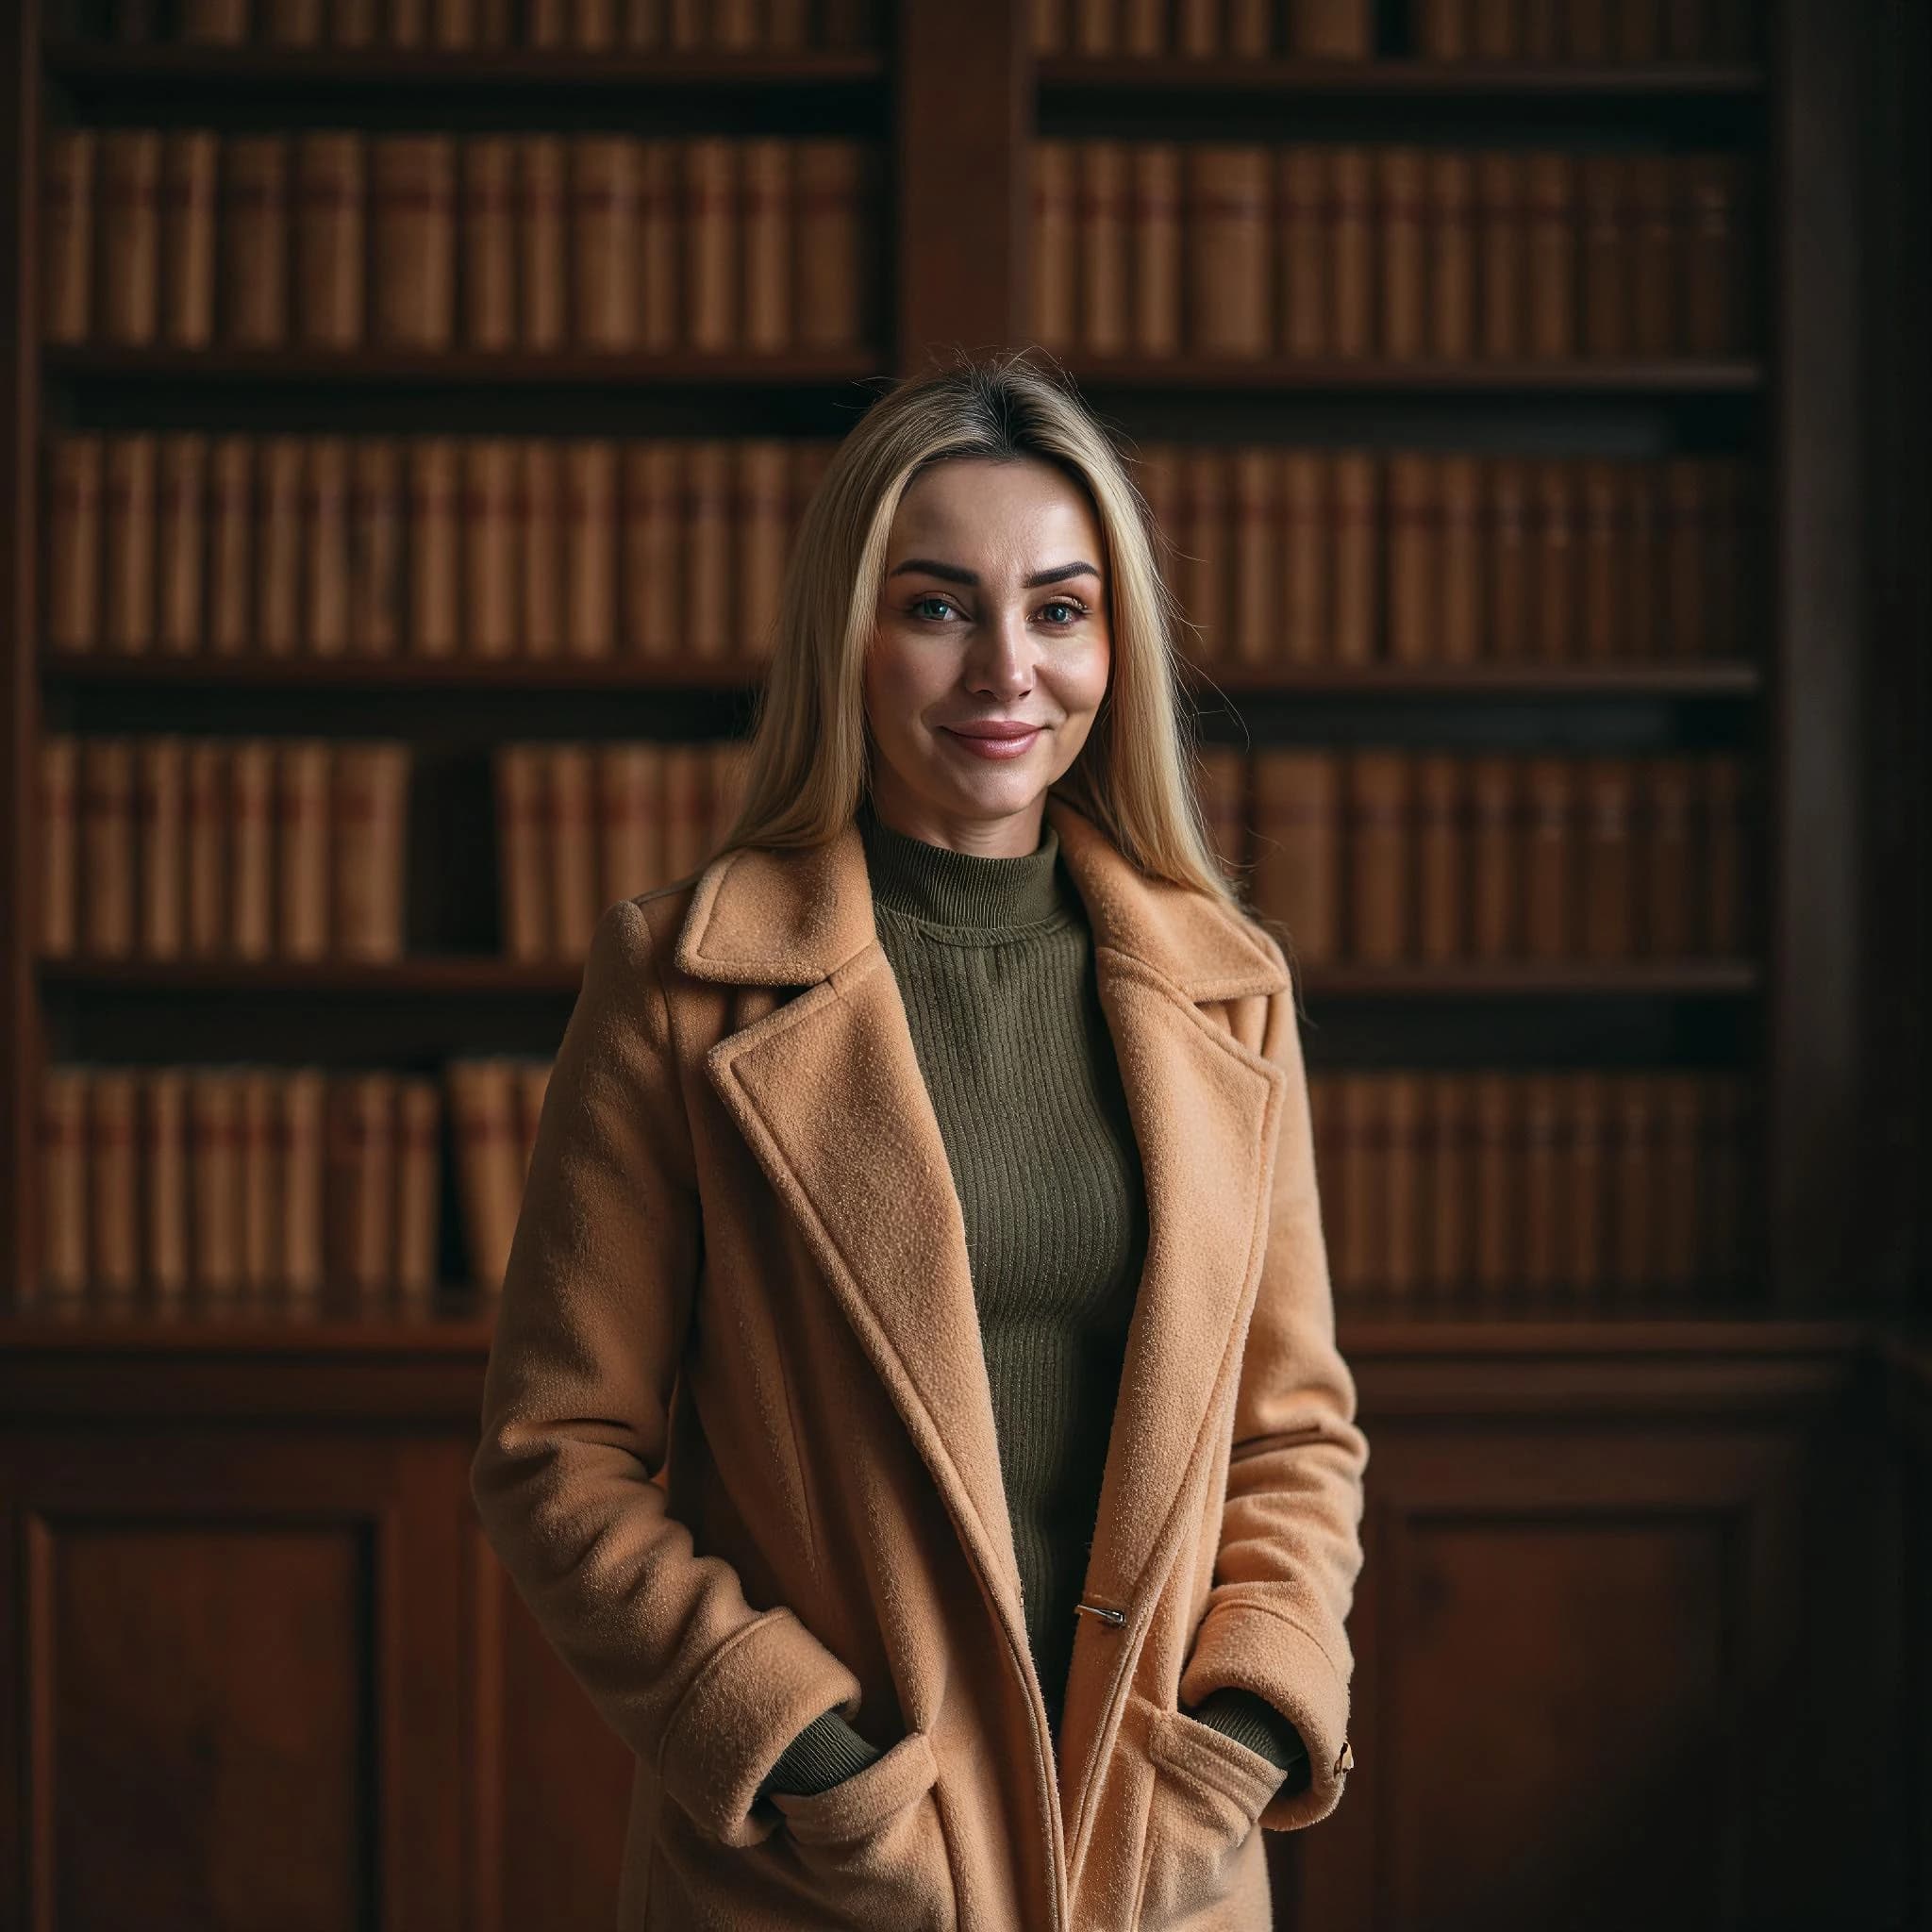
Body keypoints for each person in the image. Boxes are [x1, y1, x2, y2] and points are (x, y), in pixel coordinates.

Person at [470, 349, 1368, 1932]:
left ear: (1117, 644)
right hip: (823, 1878)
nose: (1007, 669)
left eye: (1061, 608)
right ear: (853, 634)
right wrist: (807, 1759)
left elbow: (1292, 1441)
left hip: (1160, 1863)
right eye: (939, 605)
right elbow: (560, 1455)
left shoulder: (1231, 991)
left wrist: (1231, 1746)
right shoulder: (681, 981)